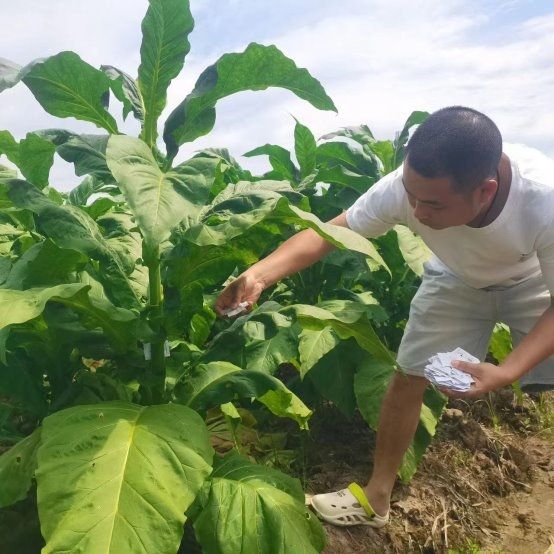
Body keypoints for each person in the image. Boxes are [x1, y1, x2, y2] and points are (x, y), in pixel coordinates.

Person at [214, 106, 554, 528]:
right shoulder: (403, 191)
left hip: (535, 279)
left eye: (433, 204)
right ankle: (376, 497)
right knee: (408, 375)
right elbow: (328, 235)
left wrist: (507, 371)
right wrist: (259, 275)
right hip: (456, 278)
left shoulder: (544, 199)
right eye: (412, 196)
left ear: (485, 191)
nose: (417, 212)